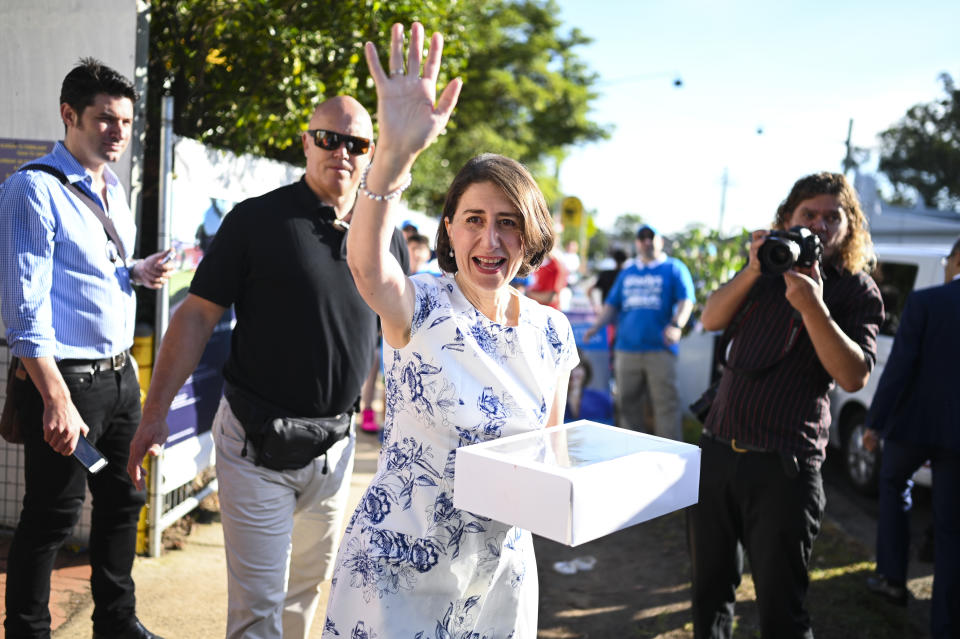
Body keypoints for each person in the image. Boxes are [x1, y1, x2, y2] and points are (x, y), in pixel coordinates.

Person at [322, 23, 578, 638]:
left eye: (509, 223)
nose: (491, 241)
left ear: (532, 233)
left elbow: (548, 454)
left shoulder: (552, 331)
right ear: (449, 227)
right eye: (474, 220)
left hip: (497, 579)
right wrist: (394, 155)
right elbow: (365, 262)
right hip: (396, 574)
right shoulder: (420, 303)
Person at [126, 95, 409, 639]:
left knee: (305, 596)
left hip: (335, 449)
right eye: (328, 138)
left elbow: (394, 336)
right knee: (258, 613)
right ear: (306, 141)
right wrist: (154, 412)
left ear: (370, 153)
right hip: (255, 444)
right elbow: (195, 317)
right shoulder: (257, 219)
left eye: (357, 144)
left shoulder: (383, 234)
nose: (341, 153)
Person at [0, 58, 173, 639]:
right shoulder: (32, 190)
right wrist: (54, 398)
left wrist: (138, 271)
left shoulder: (111, 185)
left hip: (121, 377)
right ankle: (26, 631)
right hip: (67, 383)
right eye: (105, 120)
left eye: (125, 121)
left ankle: (117, 623)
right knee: (51, 517)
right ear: (68, 115)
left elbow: (94, 271)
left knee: (123, 503)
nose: (118, 132)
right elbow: (24, 313)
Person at [688, 172, 884, 638]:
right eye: (808, 215)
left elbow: (853, 376)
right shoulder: (765, 272)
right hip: (717, 452)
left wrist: (813, 305)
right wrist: (755, 267)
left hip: (784, 467)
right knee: (709, 591)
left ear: (848, 226)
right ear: (785, 221)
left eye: (831, 217)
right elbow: (712, 319)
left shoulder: (856, 291)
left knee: (781, 608)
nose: (818, 226)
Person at [861, 236, 960, 637]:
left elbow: (899, 368)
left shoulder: (926, 302)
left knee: (892, 481)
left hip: (914, 425)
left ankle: (892, 579)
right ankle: (946, 626)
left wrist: (875, 423)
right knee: (953, 528)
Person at [583, 224, 694, 440]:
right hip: (626, 349)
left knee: (665, 405)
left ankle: (670, 457)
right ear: (636, 243)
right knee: (627, 406)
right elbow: (612, 304)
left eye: (650, 237)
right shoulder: (628, 272)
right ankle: (630, 455)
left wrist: (677, 325)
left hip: (660, 349)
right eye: (641, 238)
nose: (646, 241)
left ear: (660, 241)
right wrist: (596, 327)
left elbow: (686, 300)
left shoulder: (674, 268)